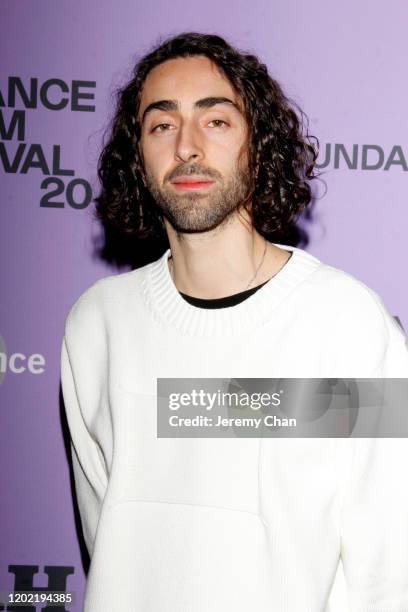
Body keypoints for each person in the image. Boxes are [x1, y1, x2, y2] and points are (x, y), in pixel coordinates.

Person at [60, 32, 408, 611]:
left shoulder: (346, 323)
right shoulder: (98, 324)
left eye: (216, 121)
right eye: (161, 125)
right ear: (137, 154)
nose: (188, 147)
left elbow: (389, 562)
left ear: (258, 145)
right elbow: (107, 532)